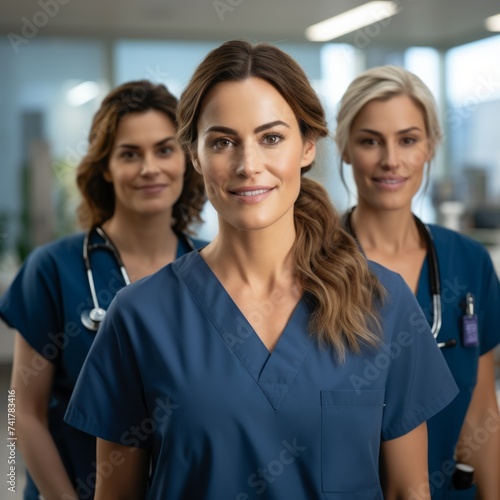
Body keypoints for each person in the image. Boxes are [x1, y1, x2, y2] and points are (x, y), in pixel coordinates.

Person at [65, 40, 458, 500]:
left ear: (308, 146)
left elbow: (409, 492)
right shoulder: (139, 316)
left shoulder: (383, 302)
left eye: (271, 138)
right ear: (194, 155)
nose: (248, 165)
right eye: (222, 142)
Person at [0, 80, 207, 500]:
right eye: (130, 154)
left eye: (165, 149)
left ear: (187, 160)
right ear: (106, 167)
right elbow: (20, 414)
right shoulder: (54, 269)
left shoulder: (213, 267)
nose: (150, 168)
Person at [336, 65, 500, 499]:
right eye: (370, 141)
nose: (391, 160)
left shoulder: (468, 261)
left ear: (430, 146)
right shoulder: (314, 265)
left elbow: (482, 412)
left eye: (408, 140)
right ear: (345, 148)